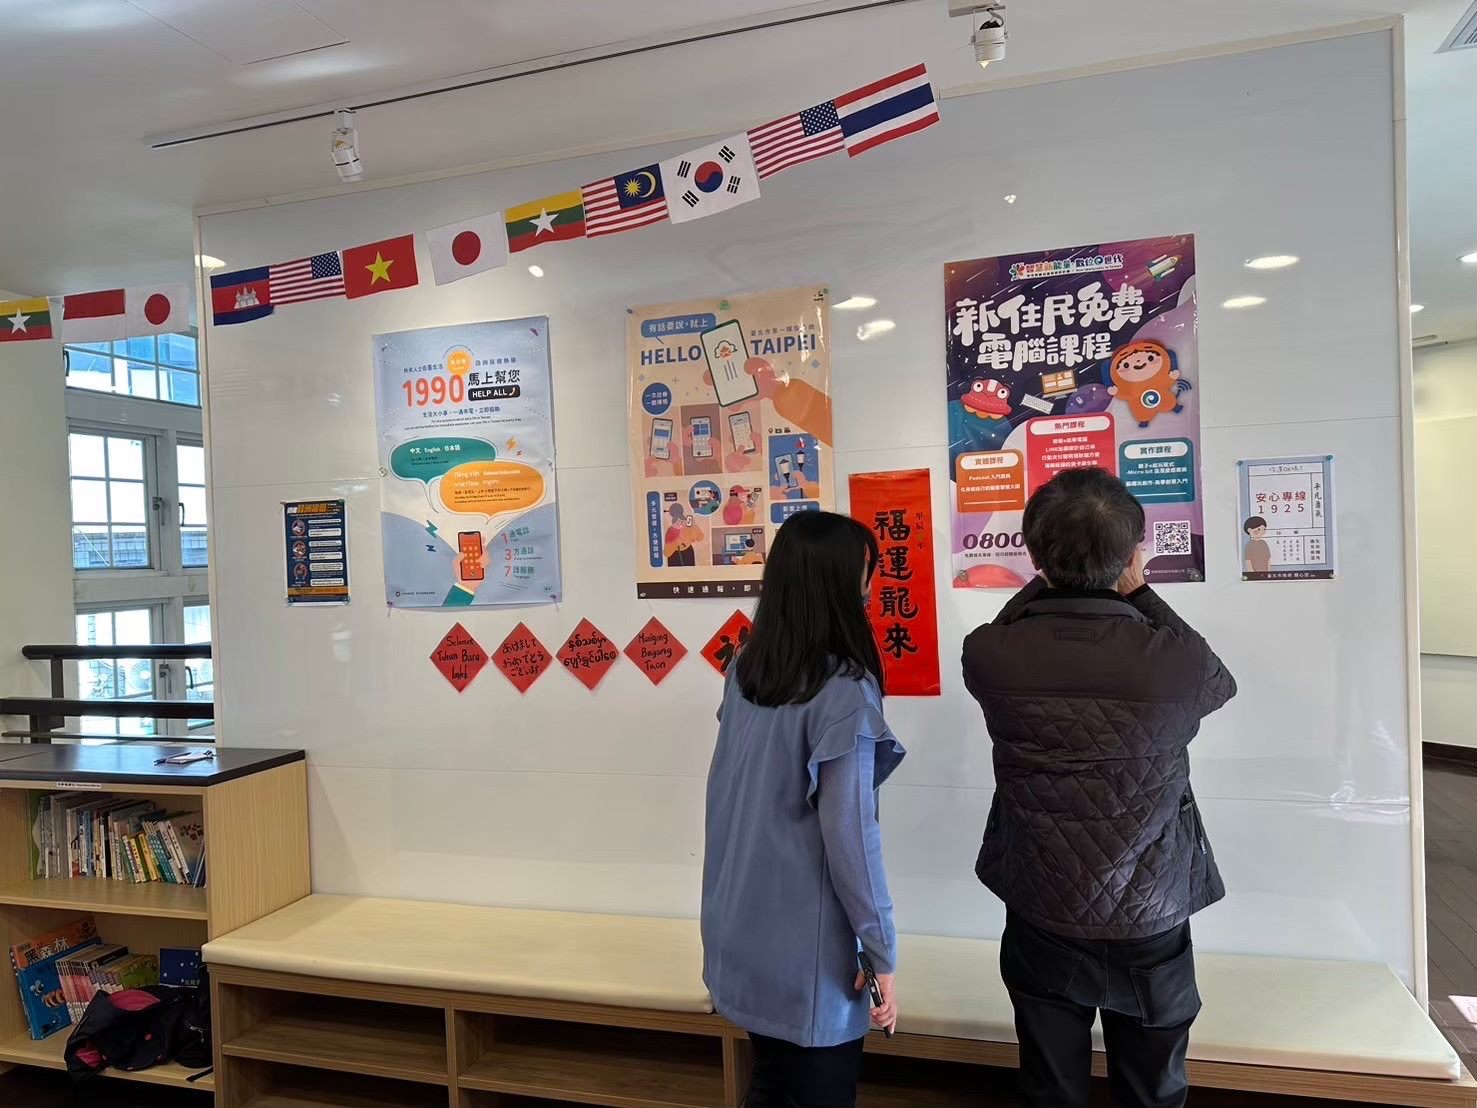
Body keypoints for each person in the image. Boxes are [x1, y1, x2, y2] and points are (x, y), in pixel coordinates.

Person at [962, 468, 1236, 1108]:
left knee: (1050, 1089)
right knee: (1153, 1092)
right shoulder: (1176, 661)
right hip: (1150, 910)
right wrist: (1139, 591)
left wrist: (1050, 576)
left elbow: (1009, 621)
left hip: (1041, 901)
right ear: (1134, 554)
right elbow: (1219, 683)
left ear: (1034, 557)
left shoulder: (989, 653)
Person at [702, 510, 905, 1107]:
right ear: (837, 586)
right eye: (863, 576)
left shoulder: (748, 669)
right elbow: (852, 840)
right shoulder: (844, 692)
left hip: (739, 929)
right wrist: (882, 950)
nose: (869, 589)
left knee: (771, 1083)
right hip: (808, 953)